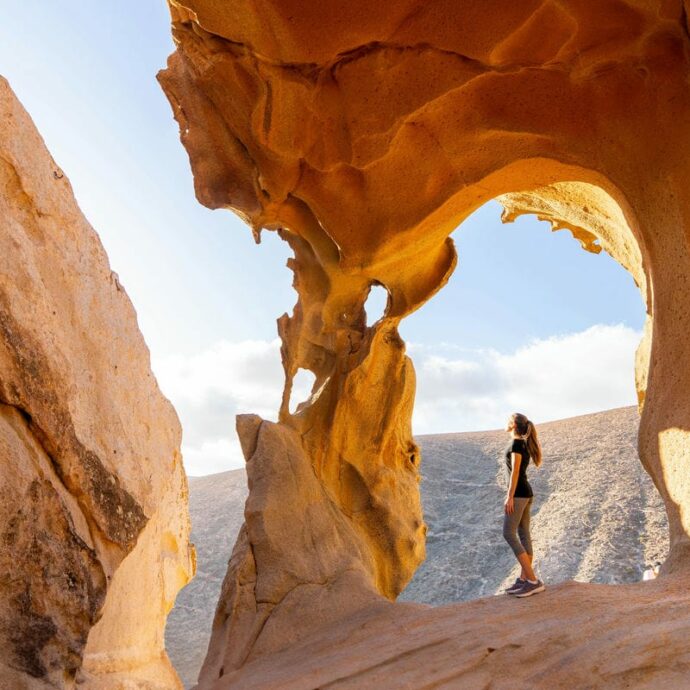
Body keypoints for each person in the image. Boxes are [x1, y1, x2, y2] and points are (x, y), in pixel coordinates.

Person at [502, 412, 545, 597]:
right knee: (523, 534)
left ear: (513, 424)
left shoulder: (516, 444)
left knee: (508, 533)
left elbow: (515, 472)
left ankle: (533, 580)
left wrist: (509, 496)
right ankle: (524, 579)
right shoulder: (522, 443)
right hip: (525, 493)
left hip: (518, 494)